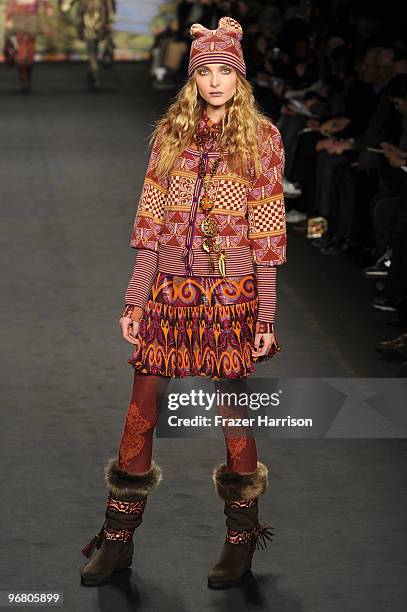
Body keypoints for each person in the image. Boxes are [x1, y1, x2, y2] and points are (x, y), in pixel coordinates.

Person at [80, 16, 287, 589]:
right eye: (205, 72)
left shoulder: (263, 140)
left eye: (225, 71)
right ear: (192, 78)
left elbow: (267, 232)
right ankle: (117, 541)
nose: (215, 82)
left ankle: (241, 543)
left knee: (232, 408)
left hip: (230, 293)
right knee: (141, 404)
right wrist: (133, 299)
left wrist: (265, 316)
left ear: (239, 79)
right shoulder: (170, 136)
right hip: (169, 290)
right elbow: (150, 225)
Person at [59, 0, 115, 90]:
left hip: (90, 19)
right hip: (96, 18)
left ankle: (94, 72)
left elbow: (66, 5)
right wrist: (111, 17)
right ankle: (94, 72)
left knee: (92, 48)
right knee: (93, 47)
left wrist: (64, 7)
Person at [4, 0, 53, 93]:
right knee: (22, 47)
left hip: (31, 16)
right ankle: (24, 76)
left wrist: (47, 6)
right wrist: (8, 16)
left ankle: (27, 75)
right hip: (19, 16)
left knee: (30, 48)